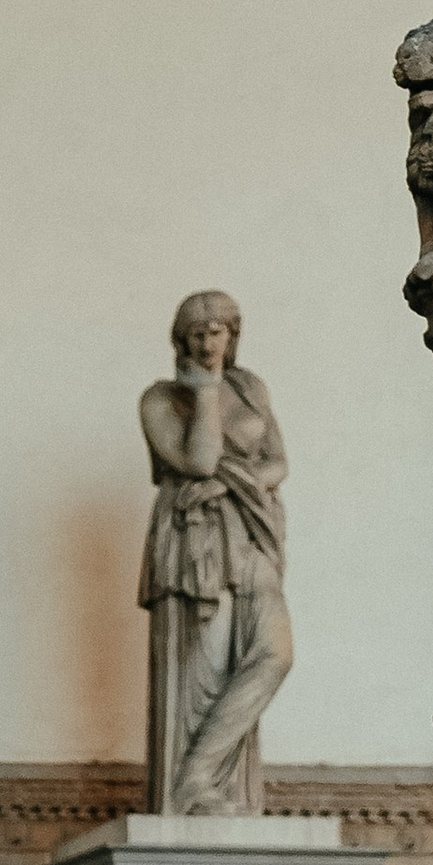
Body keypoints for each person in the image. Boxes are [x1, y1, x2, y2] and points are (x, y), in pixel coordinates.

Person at [140, 290, 293, 814]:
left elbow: (278, 464)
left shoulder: (251, 389)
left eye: (217, 331)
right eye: (198, 334)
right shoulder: (162, 399)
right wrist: (204, 394)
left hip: (251, 534)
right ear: (182, 341)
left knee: (275, 654)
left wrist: (234, 484)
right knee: (206, 671)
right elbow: (200, 461)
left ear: (233, 335)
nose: (208, 343)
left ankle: (201, 776)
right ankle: (194, 787)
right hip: (197, 541)